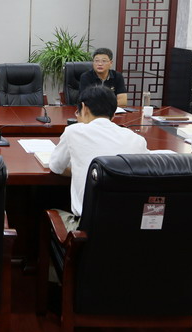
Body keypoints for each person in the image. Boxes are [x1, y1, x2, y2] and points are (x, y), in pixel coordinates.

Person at [49, 86, 148, 229]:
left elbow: (56, 167)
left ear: (84, 108)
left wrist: (81, 169)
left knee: (49, 212)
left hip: (87, 230)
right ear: (113, 113)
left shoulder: (73, 132)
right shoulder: (137, 140)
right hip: (130, 228)